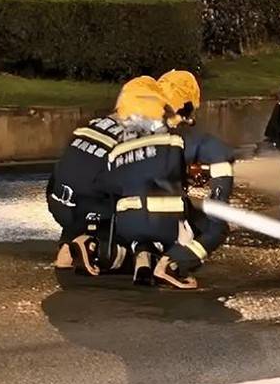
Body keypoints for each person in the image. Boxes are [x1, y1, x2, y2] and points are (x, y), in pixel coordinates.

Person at [99, 77, 197, 289]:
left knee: (140, 224)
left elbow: (111, 185)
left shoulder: (117, 147)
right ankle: (170, 266)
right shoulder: (171, 140)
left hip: (127, 223)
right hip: (162, 220)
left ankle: (142, 260)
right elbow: (177, 177)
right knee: (198, 222)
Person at [156, 70, 236, 279]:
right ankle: (174, 262)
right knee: (217, 226)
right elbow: (220, 157)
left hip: (125, 220)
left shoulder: (136, 129)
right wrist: (218, 198)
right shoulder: (189, 136)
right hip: (163, 217)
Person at [47, 90, 132, 276]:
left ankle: (68, 248)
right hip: (91, 208)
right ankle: (93, 247)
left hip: (59, 203)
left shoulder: (94, 124)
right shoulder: (136, 134)